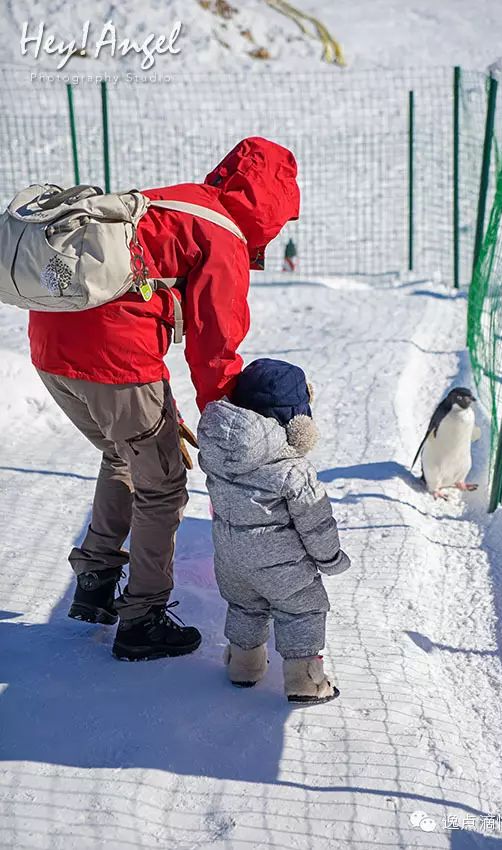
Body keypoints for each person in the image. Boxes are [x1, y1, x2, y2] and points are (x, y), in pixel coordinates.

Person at [29, 137, 300, 661]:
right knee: (164, 482)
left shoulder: (173, 201)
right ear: (270, 205)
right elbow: (214, 350)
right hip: (111, 354)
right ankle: (143, 619)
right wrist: (229, 438)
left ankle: (95, 583)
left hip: (48, 342)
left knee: (122, 453)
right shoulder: (222, 235)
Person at [197, 358, 350, 704]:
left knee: (244, 607)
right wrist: (330, 558)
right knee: (302, 609)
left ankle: (243, 665)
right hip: (283, 568)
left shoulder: (218, 453)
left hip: (230, 560)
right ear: (296, 420)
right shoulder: (293, 469)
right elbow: (316, 524)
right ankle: (305, 681)